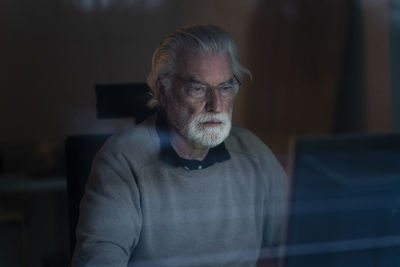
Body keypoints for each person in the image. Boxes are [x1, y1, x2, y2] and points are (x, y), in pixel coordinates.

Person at [72, 25, 288, 267]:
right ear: (163, 92)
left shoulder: (252, 151)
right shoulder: (122, 160)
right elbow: (99, 258)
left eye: (225, 88)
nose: (216, 105)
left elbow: (299, 238)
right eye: (197, 89)